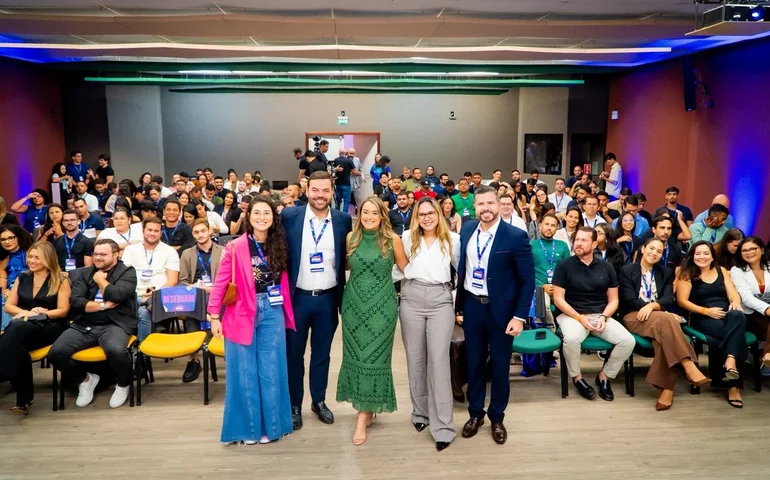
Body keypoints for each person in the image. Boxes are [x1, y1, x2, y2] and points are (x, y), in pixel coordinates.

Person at [207, 196, 296, 445]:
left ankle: (272, 427)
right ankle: (248, 430)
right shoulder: (235, 247)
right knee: (244, 372)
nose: (261, 218)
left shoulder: (280, 245)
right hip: (240, 312)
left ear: (273, 217)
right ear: (249, 216)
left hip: (272, 311)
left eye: (266, 213)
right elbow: (220, 284)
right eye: (256, 213)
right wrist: (214, 316)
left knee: (271, 370)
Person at [455, 186, 535, 445]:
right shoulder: (467, 229)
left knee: (500, 368)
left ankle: (497, 417)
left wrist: (520, 317)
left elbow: (527, 280)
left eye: (490, 203)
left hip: (503, 312)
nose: (486, 208)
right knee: (474, 363)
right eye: (481, 204)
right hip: (473, 307)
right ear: (474, 207)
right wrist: (459, 308)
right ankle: (475, 413)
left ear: (500, 204)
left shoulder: (515, 236)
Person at [281, 171, 352, 430]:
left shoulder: (344, 220)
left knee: (321, 355)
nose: (320, 195)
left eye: (325, 190)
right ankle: (294, 405)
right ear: (306, 189)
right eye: (315, 190)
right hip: (297, 298)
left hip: (328, 300)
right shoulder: (289, 217)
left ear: (332, 191)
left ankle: (319, 401)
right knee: (294, 355)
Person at [336, 196, 407, 446]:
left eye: (374, 213)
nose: (368, 217)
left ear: (382, 216)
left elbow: (406, 269)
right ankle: (365, 406)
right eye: (365, 212)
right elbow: (348, 266)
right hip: (353, 306)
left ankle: (363, 414)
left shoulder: (392, 240)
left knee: (374, 356)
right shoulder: (351, 238)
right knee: (356, 355)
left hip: (382, 308)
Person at [395, 197, 460, 451]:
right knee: (415, 359)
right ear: (416, 216)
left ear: (439, 214)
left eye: (430, 213)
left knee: (438, 360)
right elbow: (398, 268)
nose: (426, 218)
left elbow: (462, 270)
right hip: (411, 297)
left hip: (440, 300)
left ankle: (443, 426)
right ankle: (420, 414)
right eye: (421, 214)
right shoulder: (406, 237)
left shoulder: (452, 240)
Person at [619, 238, 710, 410]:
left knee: (661, 337)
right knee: (668, 319)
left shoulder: (665, 272)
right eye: (651, 248)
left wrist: (653, 306)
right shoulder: (627, 270)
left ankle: (667, 389)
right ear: (643, 248)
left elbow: (668, 298)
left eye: (659, 251)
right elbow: (628, 298)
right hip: (634, 315)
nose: (654, 253)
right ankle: (688, 364)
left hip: (659, 315)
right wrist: (651, 309)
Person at [48, 239, 138, 409]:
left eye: (103, 254)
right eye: (95, 254)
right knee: (56, 353)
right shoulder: (82, 273)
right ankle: (85, 380)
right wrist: (103, 305)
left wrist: (100, 281)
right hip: (85, 324)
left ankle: (123, 383)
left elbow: (117, 296)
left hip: (114, 324)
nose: (97, 257)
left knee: (116, 350)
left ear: (115, 255)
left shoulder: (127, 272)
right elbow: (76, 301)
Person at [552, 227, 636, 401]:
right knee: (572, 339)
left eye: (584, 240)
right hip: (572, 315)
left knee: (628, 341)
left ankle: (604, 376)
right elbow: (559, 300)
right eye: (577, 240)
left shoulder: (607, 267)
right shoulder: (564, 266)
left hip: (600, 315)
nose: (579, 244)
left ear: (594, 244)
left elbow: (614, 300)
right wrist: (579, 318)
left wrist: (604, 317)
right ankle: (577, 378)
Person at [0, 242, 69, 415]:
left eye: (37, 257)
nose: (32, 260)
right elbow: (8, 306)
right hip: (24, 325)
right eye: (30, 256)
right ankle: (24, 401)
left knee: (16, 329)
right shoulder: (22, 277)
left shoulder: (60, 279)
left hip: (50, 326)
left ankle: (3, 371)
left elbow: (63, 311)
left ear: (48, 258)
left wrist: (41, 315)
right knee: (19, 348)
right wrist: (28, 312)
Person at [676, 241, 747, 408]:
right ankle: (734, 387)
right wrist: (706, 311)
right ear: (692, 256)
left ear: (712, 256)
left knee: (737, 315)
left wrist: (735, 302)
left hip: (727, 315)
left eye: (706, 253)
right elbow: (682, 301)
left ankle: (730, 360)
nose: (702, 257)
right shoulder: (686, 273)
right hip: (702, 316)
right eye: (698, 254)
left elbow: (733, 295)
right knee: (735, 336)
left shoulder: (721, 271)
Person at [121, 217, 180, 342]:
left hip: (158, 297)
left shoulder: (169, 251)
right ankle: (144, 353)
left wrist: (156, 294)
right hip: (133, 295)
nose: (152, 233)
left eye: (156, 231)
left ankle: (141, 353)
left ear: (161, 233)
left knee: (143, 312)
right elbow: (122, 276)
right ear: (143, 230)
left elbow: (172, 281)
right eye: (149, 230)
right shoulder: (131, 250)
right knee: (143, 310)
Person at [730, 237, 770, 370]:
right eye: (744, 250)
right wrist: (767, 309)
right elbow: (746, 298)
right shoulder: (737, 270)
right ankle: (767, 355)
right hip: (752, 315)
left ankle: (767, 356)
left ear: (762, 250)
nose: (749, 252)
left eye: (753, 249)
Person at [531, 214, 571, 326]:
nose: (549, 228)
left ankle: (566, 329)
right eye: (546, 224)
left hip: (560, 287)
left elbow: (568, 270)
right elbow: (527, 272)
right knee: (545, 305)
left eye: (553, 225)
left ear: (557, 228)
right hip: (539, 287)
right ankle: (551, 332)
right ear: (540, 226)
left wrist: (559, 286)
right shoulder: (531, 245)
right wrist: (541, 286)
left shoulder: (562, 246)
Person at [1, 226, 34, 331]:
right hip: (10, 288)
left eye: (11, 238)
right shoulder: (2, 257)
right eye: (3, 239)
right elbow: (3, 277)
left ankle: (7, 330)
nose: (7, 242)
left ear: (18, 237)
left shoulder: (30, 252)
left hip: (29, 284)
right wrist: (4, 290)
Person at [333, 148, 358, 215]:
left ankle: (336, 214)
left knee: (338, 200)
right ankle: (344, 215)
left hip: (337, 183)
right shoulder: (349, 161)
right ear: (345, 153)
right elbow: (354, 172)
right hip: (346, 184)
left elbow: (332, 170)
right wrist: (360, 173)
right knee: (346, 201)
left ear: (339, 153)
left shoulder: (336, 160)